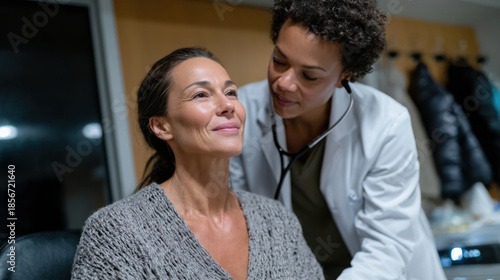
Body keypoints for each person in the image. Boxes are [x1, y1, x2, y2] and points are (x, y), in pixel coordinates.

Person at [229, 0, 447, 279]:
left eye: (309, 76)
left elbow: (386, 246)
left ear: (345, 75)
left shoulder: (386, 124)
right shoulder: (242, 109)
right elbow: (240, 217)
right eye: (279, 60)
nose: (283, 82)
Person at [71, 47, 324, 280]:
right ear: (162, 126)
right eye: (201, 94)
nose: (227, 105)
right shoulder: (117, 232)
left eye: (230, 92)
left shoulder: (276, 220)